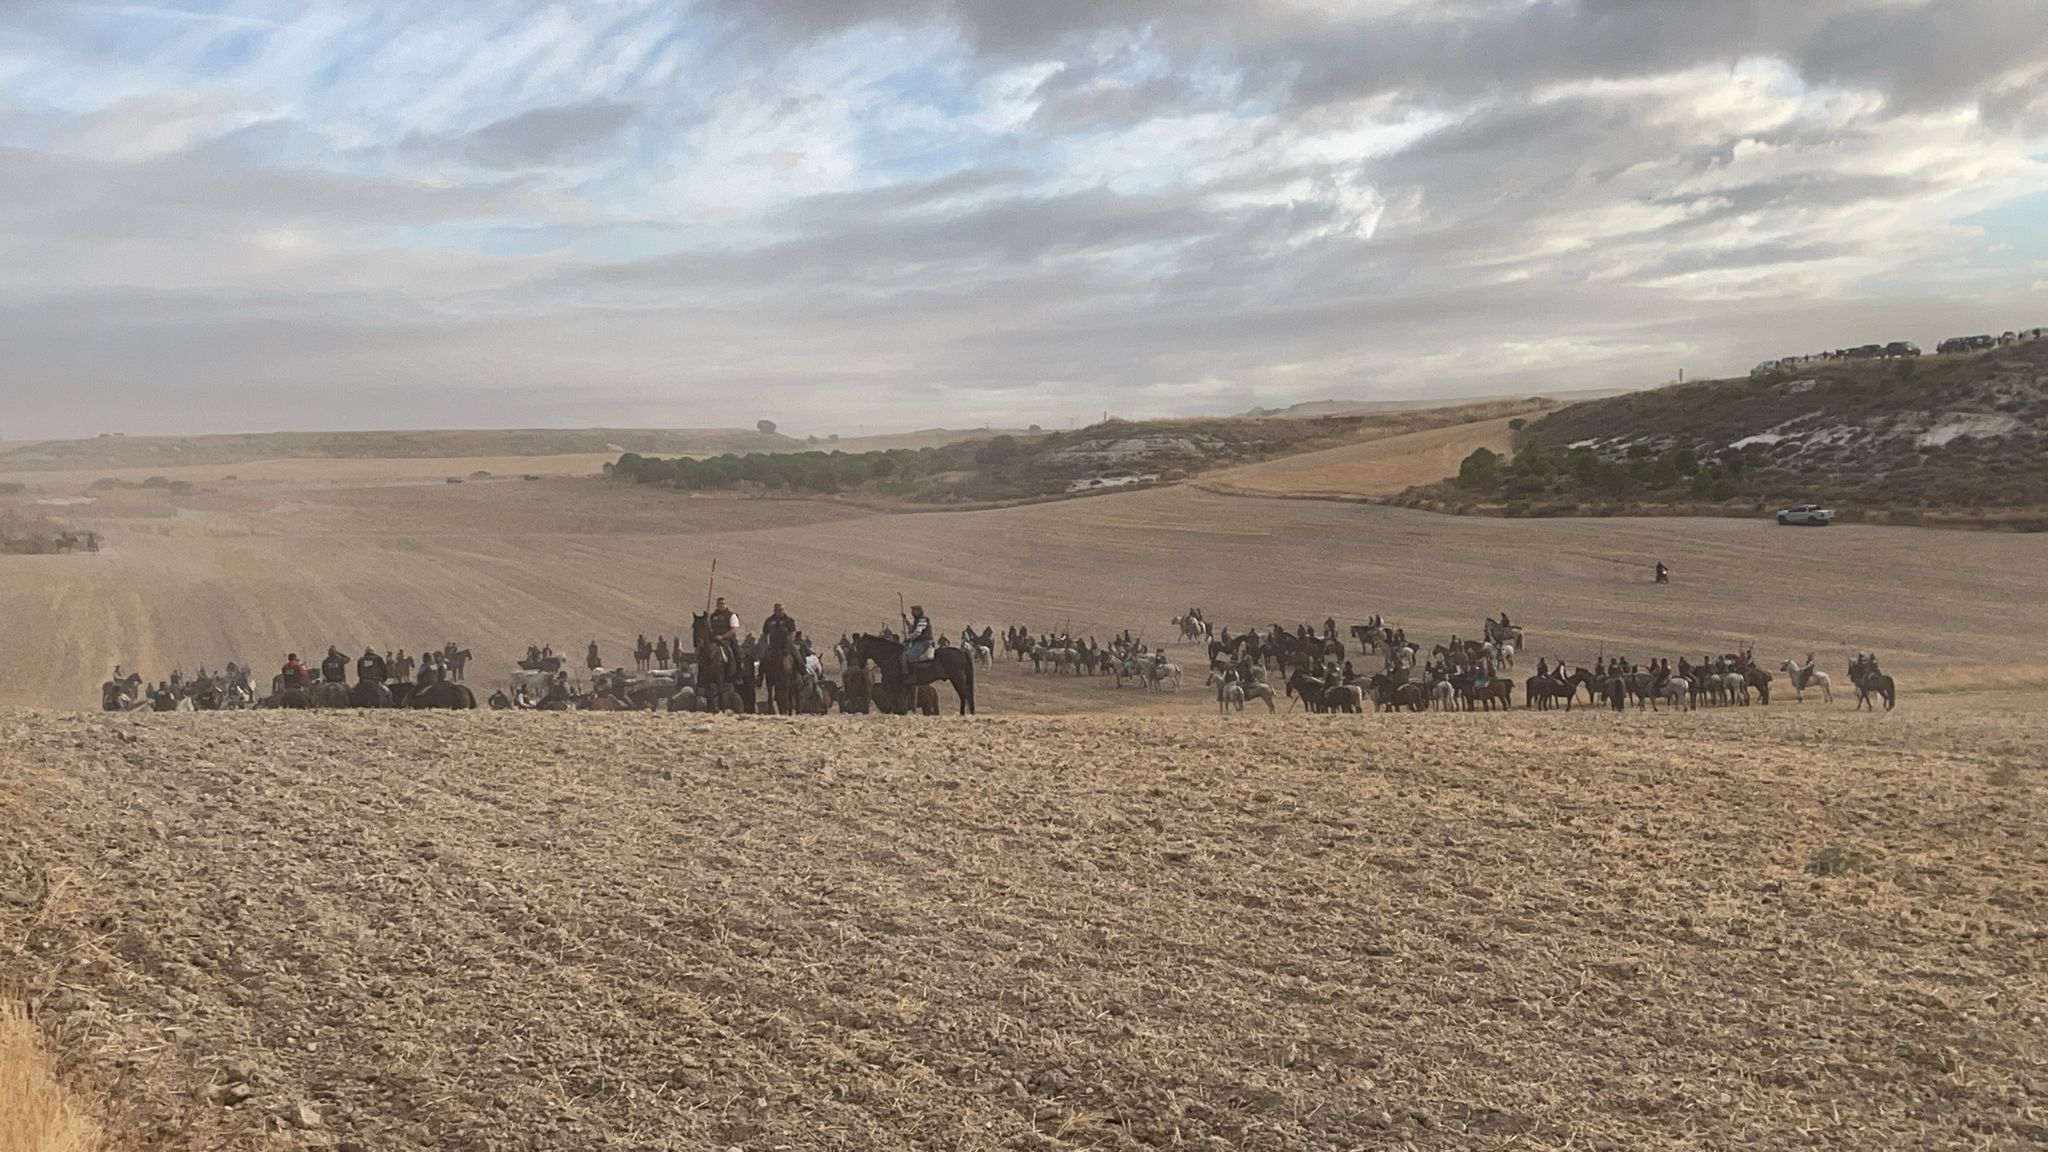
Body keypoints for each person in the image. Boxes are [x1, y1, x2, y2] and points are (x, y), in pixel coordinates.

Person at [706, 596, 741, 671]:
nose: (722, 605)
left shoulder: (732, 616)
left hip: (729, 640)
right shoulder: (712, 616)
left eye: (723, 603)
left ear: (726, 604)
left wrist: (722, 636)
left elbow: (733, 630)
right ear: (717, 605)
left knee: (737, 653)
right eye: (720, 604)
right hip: (714, 639)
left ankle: (738, 673)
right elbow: (709, 628)